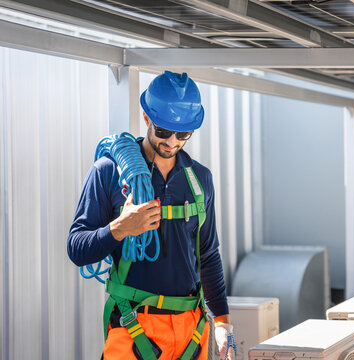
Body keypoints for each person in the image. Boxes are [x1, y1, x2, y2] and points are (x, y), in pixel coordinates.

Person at [67, 71, 235, 360]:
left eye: (183, 135)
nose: (172, 142)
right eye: (163, 132)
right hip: (134, 327)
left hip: (190, 331)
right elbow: (77, 248)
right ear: (146, 118)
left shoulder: (200, 179)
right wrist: (119, 228)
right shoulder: (108, 173)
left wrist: (222, 321)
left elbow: (207, 255)